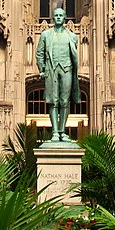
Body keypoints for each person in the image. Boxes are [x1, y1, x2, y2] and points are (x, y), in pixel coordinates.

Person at [36, 8, 79, 142]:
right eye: (56, 15)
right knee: (53, 101)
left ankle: (62, 131)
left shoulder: (72, 36)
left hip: (67, 69)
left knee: (65, 101)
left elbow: (73, 54)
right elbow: (39, 53)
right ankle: (55, 131)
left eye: (61, 15)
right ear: (53, 18)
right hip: (52, 70)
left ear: (65, 17)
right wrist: (42, 69)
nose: (59, 17)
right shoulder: (45, 35)